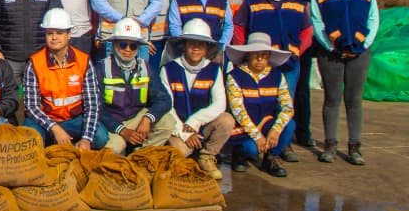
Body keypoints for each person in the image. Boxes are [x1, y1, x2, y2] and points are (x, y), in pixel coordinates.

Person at [232, 0, 311, 162]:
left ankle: (280, 146)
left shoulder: (297, 3)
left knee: (285, 105)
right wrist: (244, 55)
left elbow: (307, 31)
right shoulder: (252, 2)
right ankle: (247, 145)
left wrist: (297, 51)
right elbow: (239, 28)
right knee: (253, 102)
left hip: (288, 64)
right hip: (258, 64)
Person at [311, 0, 379, 166]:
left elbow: (373, 20)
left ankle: (355, 147)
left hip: (359, 53)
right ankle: (330, 145)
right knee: (332, 98)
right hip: (330, 53)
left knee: (354, 99)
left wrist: (362, 45)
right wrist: (331, 46)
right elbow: (317, 20)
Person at [21, 9, 109, 150]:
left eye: (59, 33)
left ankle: (70, 146)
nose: (54, 37)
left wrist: (86, 139)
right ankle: (53, 145)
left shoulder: (83, 61)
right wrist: (54, 128)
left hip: (74, 120)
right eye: (50, 33)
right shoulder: (35, 63)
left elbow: (93, 104)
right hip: (46, 121)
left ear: (69, 35)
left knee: (100, 137)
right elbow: (32, 107)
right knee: (29, 137)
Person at [160, 19, 235, 180]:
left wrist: (196, 121)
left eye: (201, 44)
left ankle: (207, 156)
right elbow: (167, 106)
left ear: (207, 47)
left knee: (227, 120)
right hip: (178, 126)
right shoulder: (168, 69)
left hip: (201, 125)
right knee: (181, 151)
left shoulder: (214, 69)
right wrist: (184, 133)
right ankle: (188, 153)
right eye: (191, 43)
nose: (196, 48)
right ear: (184, 45)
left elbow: (220, 104)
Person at [98, 18, 175, 155]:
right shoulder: (101, 68)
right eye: (123, 45)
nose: (128, 50)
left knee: (168, 123)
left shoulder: (146, 67)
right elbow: (98, 109)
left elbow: (164, 99)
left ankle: (139, 155)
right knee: (114, 149)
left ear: (138, 47)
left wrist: (148, 118)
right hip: (113, 121)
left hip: (137, 116)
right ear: (114, 44)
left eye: (133, 46)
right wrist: (122, 130)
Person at [225, 32, 294, 177]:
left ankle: (271, 157)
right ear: (248, 55)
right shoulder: (235, 76)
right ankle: (239, 153)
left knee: (290, 125)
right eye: (255, 54)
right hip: (242, 127)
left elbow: (288, 107)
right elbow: (238, 111)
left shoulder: (277, 76)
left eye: (264, 55)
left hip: (266, 123)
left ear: (269, 57)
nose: (260, 59)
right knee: (251, 149)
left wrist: (275, 130)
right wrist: (257, 136)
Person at [278, 0, 316, 147]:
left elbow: (314, 15)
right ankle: (284, 135)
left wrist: (302, 46)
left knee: (301, 90)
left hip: (302, 45)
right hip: (278, 43)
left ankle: (303, 132)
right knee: (282, 91)